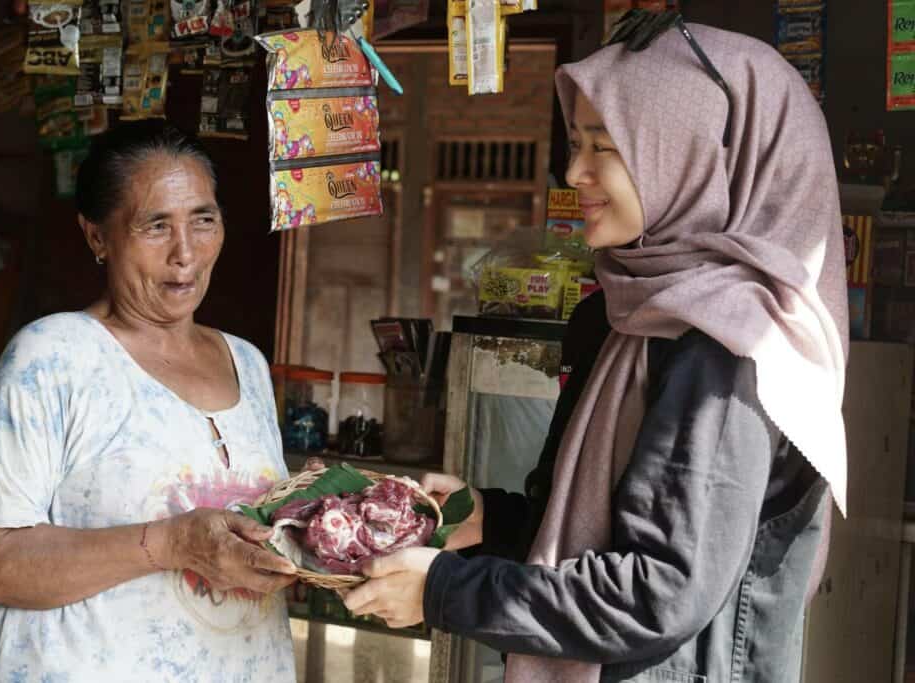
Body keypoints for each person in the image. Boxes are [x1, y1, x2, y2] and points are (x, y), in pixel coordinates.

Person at [344, 17, 848, 683]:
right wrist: (488, 518)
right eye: (577, 142)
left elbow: (657, 591)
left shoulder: (729, 347)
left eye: (604, 146)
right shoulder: (627, 317)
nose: (574, 170)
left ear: (693, 155)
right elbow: (597, 530)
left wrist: (442, 590)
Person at [0, 121, 299, 682]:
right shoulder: (55, 356)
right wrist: (171, 543)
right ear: (97, 237)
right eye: (155, 225)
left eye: (203, 220)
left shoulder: (248, 364)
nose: (185, 253)